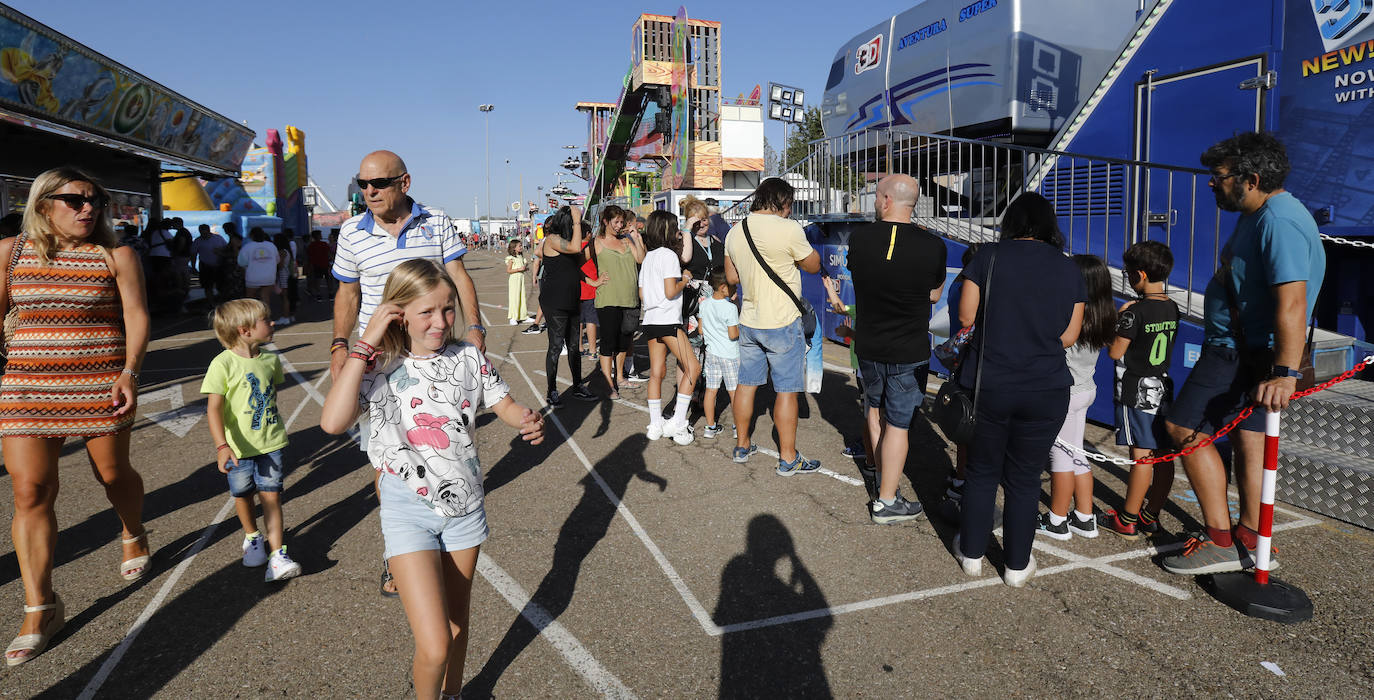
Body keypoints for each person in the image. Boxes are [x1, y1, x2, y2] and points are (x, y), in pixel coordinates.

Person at [320, 259, 544, 700]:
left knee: (458, 623)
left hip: (465, 509)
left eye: (447, 309)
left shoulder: (467, 357)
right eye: (427, 312)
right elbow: (332, 422)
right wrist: (365, 341)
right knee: (435, 641)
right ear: (398, 313)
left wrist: (525, 419)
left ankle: (453, 693)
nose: (441, 321)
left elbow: (504, 404)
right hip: (408, 511)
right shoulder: (377, 366)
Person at [1, 168, 151, 665]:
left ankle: (132, 531)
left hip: (99, 382)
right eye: (75, 200)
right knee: (30, 491)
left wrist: (129, 371)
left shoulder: (115, 255)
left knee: (112, 474)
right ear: (44, 204)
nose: (89, 208)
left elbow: (136, 314)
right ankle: (40, 606)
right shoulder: (10, 253)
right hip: (27, 385)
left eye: (96, 201)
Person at [1161, 132, 1326, 574]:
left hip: (1239, 352)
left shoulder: (1278, 221)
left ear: (1251, 179)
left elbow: (1292, 300)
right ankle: (1251, 539)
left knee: (1182, 428)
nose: (1211, 184)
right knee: (1248, 440)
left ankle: (1219, 540)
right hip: (1247, 350)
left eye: (1218, 177)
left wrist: (1286, 373)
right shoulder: (1259, 214)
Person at [331, 150, 487, 599]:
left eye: (377, 183)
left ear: (404, 182)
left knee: (443, 447)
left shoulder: (436, 221)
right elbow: (347, 293)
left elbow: (458, 275)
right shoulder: (350, 232)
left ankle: (441, 529)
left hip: (432, 357)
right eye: (361, 184)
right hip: (380, 361)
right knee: (386, 458)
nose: (368, 192)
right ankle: (398, 547)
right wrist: (341, 345)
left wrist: (474, 327)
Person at [952, 192, 1084, 587]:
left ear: (1011, 223)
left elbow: (965, 316)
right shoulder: (1069, 269)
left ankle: (972, 553)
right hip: (1046, 385)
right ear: (1049, 225)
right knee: (1025, 478)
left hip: (988, 382)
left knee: (981, 471)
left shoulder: (987, 257)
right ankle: (1015, 566)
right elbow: (1069, 335)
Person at [845, 174, 946, 524]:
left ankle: (876, 474)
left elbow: (859, 276)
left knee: (874, 411)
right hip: (909, 348)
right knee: (899, 425)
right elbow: (934, 294)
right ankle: (886, 500)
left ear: (887, 200)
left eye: (876, 196)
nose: (874, 201)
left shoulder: (860, 239)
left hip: (870, 345)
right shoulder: (933, 245)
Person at [723, 178, 825, 474]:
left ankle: (742, 445)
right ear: (782, 201)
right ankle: (788, 457)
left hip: (750, 320)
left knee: (747, 384)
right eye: (790, 204)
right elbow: (813, 265)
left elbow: (731, 278)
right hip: (782, 320)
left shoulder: (735, 231)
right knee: (786, 390)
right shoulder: (789, 229)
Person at [202, 299, 302, 581]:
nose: (272, 323)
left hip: (271, 443)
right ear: (245, 330)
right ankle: (252, 537)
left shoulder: (270, 359)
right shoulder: (222, 364)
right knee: (243, 494)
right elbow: (213, 408)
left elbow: (272, 395)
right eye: (266, 320)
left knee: (271, 495)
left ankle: (277, 554)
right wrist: (222, 446)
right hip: (237, 449)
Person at [1098, 241, 1180, 539]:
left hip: (1137, 389)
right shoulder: (1172, 307)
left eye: (1128, 273)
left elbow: (1115, 351)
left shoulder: (1135, 311)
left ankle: (1128, 518)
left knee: (1141, 455)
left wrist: (1117, 321)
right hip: (1163, 385)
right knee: (1163, 455)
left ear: (1140, 275)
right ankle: (1150, 514)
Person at [1036, 255, 1115, 540]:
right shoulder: (1104, 314)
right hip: (1086, 389)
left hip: (1066, 394)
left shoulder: (1070, 315)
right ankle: (1084, 516)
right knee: (1077, 453)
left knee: (1061, 458)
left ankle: (1056, 520)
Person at [639, 210, 701, 445]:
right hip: (669, 321)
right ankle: (678, 422)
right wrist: (684, 280)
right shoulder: (668, 256)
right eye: (675, 227)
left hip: (651, 320)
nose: (678, 232)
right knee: (693, 368)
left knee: (656, 373)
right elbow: (669, 291)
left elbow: (643, 294)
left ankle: (655, 424)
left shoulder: (649, 257)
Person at [537, 206, 597, 405]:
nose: (575, 226)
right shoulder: (553, 239)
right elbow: (574, 249)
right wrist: (577, 221)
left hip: (572, 299)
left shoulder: (570, 242)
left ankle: (578, 385)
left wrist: (593, 282)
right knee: (555, 346)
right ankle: (552, 390)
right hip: (555, 302)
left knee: (574, 346)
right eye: (573, 223)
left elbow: (578, 263)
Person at [592, 205, 644, 397]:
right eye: (616, 221)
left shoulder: (626, 241)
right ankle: (608, 383)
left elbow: (640, 259)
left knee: (624, 341)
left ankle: (620, 377)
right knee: (608, 342)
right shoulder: (597, 242)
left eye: (622, 221)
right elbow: (579, 263)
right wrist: (593, 281)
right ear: (606, 221)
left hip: (629, 298)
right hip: (608, 298)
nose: (619, 225)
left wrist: (636, 237)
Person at [699, 271, 740, 439]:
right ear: (723, 288)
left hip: (712, 354)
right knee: (734, 392)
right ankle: (738, 427)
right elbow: (733, 335)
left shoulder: (704, 304)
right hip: (730, 354)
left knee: (711, 390)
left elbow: (700, 329)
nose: (735, 289)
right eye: (733, 286)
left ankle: (710, 427)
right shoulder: (731, 308)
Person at [239, 227, 280, 314]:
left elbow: (241, 262)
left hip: (253, 277)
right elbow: (277, 260)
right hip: (269, 276)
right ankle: (266, 317)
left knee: (250, 299)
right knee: (265, 298)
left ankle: (252, 318)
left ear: (251, 236)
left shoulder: (247, 247)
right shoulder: (271, 246)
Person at [191, 224, 226, 304]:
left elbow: (226, 248)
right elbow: (193, 254)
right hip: (205, 266)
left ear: (208, 231)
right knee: (207, 286)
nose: (203, 235)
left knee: (221, 285)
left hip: (219, 265)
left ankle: (222, 302)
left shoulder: (218, 238)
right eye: (202, 233)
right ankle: (211, 303)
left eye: (205, 233)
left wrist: (220, 252)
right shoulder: (198, 241)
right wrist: (193, 266)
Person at [273, 232, 297, 326]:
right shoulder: (288, 250)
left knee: (285, 297)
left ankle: (285, 316)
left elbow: (281, 264)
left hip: (283, 275)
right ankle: (290, 315)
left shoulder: (282, 251)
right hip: (287, 274)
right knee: (288, 296)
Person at [504, 240, 530, 325]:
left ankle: (523, 316)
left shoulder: (521, 257)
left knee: (522, 297)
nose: (521, 247)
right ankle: (513, 317)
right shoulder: (511, 258)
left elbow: (523, 266)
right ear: (514, 248)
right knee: (514, 298)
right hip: (514, 280)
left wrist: (525, 268)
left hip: (521, 279)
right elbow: (508, 270)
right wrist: (519, 269)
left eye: (521, 245)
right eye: (519, 246)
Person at [306, 229, 332, 302]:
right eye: (320, 234)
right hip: (325, 264)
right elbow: (329, 254)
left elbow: (310, 256)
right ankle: (330, 294)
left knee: (317, 280)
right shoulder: (324, 244)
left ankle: (319, 294)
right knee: (328, 279)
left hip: (316, 265)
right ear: (318, 236)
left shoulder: (311, 245)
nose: (321, 236)